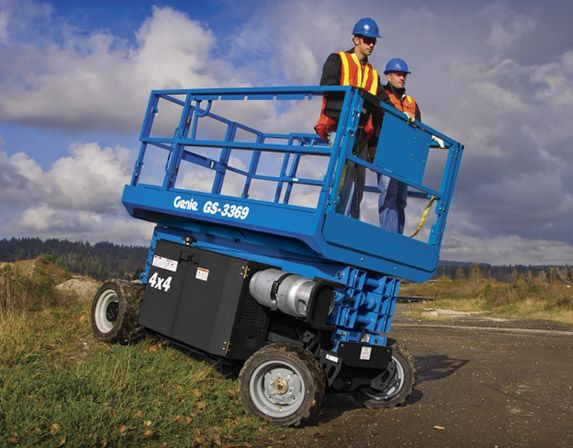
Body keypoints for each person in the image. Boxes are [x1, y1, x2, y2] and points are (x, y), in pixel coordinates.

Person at [314, 17, 384, 219]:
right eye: (367, 40)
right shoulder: (337, 60)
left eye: (373, 42)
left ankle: (344, 223)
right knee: (340, 176)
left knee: (357, 185)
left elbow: (381, 104)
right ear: (356, 40)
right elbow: (327, 87)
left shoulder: (373, 74)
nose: (371, 45)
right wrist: (361, 97)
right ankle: (327, 218)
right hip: (339, 127)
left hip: (362, 135)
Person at [377, 57, 420, 233]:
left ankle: (397, 235)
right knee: (388, 192)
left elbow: (418, 128)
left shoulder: (411, 102)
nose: (402, 78)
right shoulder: (381, 95)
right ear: (388, 76)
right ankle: (388, 234)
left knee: (401, 198)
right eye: (398, 74)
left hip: (404, 155)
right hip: (387, 151)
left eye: (404, 75)